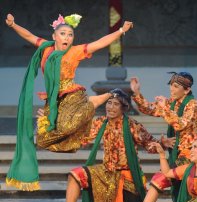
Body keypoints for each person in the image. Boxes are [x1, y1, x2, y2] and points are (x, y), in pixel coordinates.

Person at [5, 13, 133, 190]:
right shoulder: (45, 48)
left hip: (72, 95)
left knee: (66, 128)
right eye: (63, 33)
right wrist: (13, 24)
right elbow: (28, 36)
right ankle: (74, 118)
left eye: (70, 34)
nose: (67, 37)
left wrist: (120, 30)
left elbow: (100, 42)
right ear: (54, 36)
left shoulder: (75, 51)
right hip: (53, 99)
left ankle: (94, 102)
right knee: (43, 140)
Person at [47, 89, 173, 202]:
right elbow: (81, 138)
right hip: (105, 172)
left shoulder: (132, 125)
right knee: (74, 175)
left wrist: (162, 144)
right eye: (109, 103)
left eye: (115, 104)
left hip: (127, 178)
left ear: (123, 108)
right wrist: (53, 132)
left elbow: (149, 145)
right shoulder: (100, 122)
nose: (110, 107)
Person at [118, 72, 197, 202]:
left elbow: (181, 124)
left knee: (159, 179)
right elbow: (149, 108)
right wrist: (137, 93)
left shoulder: (193, 105)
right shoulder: (172, 103)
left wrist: (165, 108)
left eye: (176, 86)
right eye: (171, 85)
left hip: (191, 156)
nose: (171, 89)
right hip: (178, 154)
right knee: (159, 181)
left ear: (187, 90)